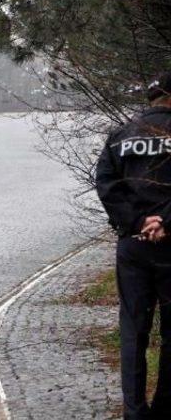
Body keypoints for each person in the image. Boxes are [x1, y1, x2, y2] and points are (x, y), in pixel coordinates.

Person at [96, 71, 171, 420]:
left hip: (133, 247)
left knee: (133, 332)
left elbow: (107, 184)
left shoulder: (120, 135)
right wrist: (164, 222)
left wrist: (138, 222)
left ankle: (135, 413)